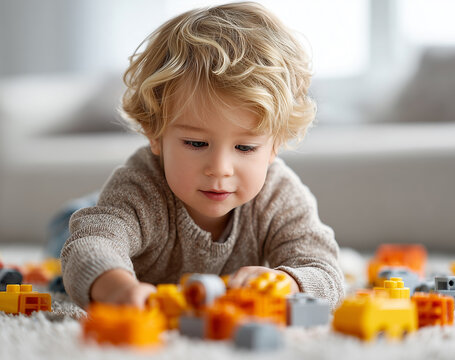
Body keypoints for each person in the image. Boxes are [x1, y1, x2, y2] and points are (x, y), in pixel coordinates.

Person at [61, 1, 345, 310]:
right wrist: (118, 288)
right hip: (107, 216)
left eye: (245, 148)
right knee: (68, 230)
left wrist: (289, 282)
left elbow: (325, 270)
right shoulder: (140, 188)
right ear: (155, 133)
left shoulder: (280, 197)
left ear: (275, 145)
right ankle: (75, 213)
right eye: (196, 144)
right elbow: (90, 244)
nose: (219, 169)